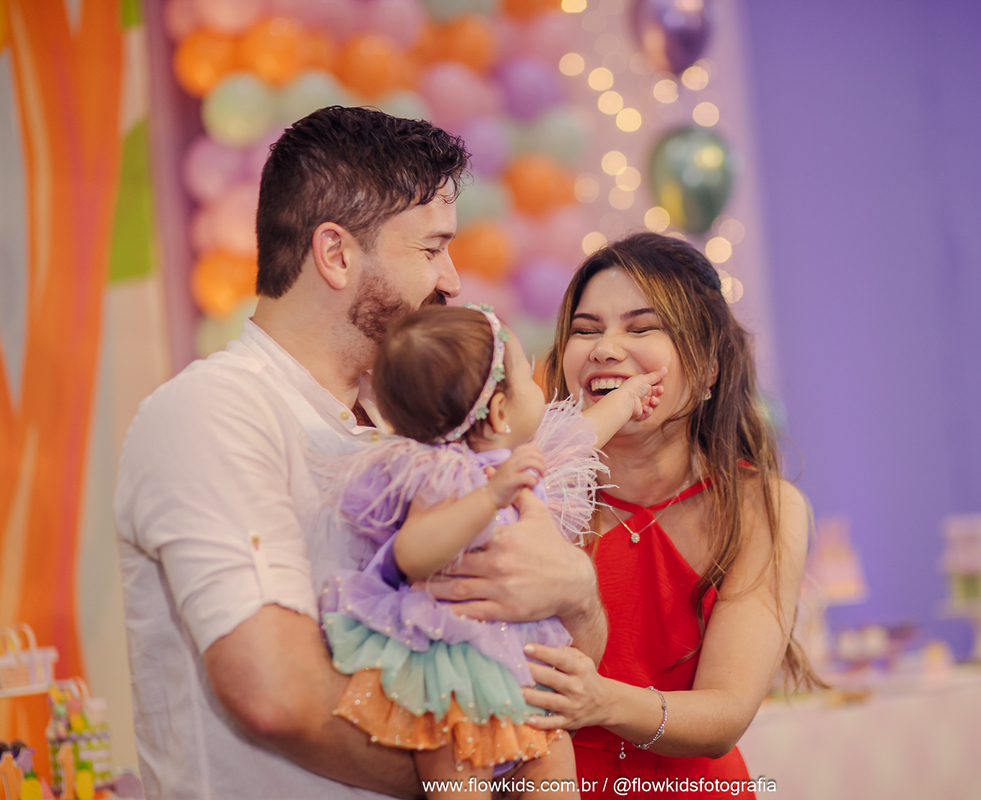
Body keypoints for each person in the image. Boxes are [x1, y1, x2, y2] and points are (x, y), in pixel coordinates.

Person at [114, 107, 606, 800]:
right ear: (337, 254)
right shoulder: (215, 411)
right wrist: (477, 768)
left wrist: (579, 593)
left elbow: (546, 667)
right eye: (432, 249)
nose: (452, 280)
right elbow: (276, 693)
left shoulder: (421, 429)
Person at [514, 232, 821, 798]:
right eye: (586, 330)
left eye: (640, 328)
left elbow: (725, 713)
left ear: (707, 367)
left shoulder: (763, 506)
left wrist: (600, 701)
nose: (606, 348)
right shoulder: (530, 492)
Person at [320, 304, 664, 799]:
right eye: (526, 379)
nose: (539, 390)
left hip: (521, 668)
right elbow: (411, 553)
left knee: (554, 761)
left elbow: (582, 432)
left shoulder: (523, 458)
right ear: (500, 412)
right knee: (459, 775)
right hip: (455, 678)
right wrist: (489, 497)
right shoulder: (445, 474)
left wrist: (628, 398)